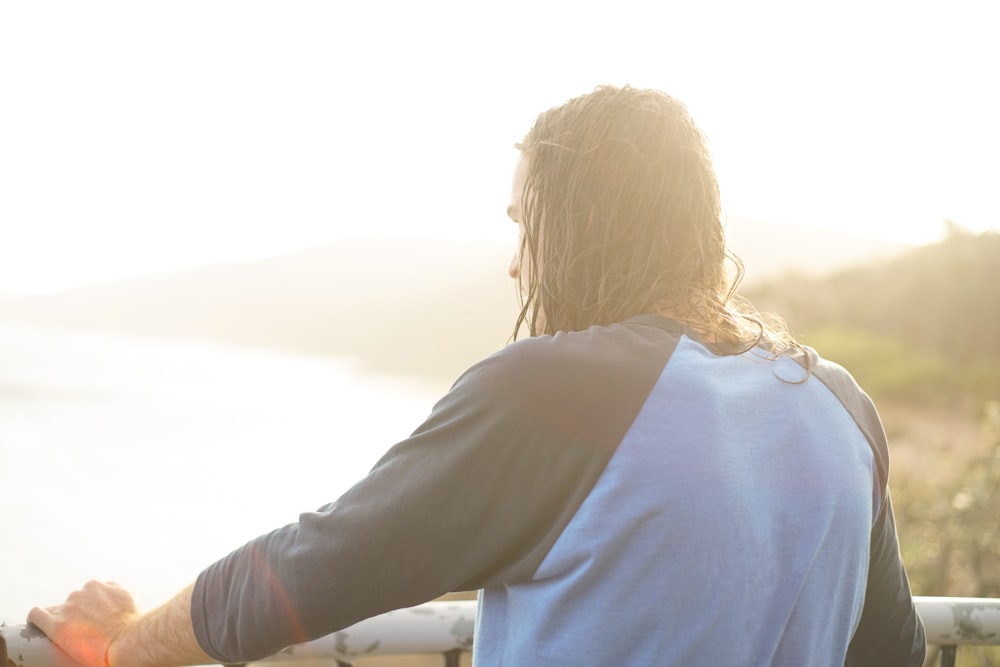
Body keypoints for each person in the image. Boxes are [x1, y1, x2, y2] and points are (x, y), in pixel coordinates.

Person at [30, 85, 926, 666]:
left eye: (522, 224)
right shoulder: (839, 406)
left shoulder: (561, 393)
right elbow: (891, 649)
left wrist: (121, 645)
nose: (515, 265)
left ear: (579, 226)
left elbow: (308, 568)